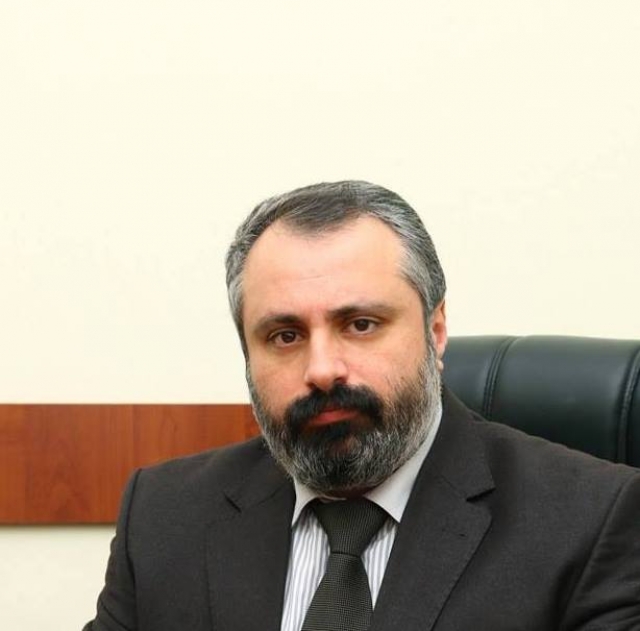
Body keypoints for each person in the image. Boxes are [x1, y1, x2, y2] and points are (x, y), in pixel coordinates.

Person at [85, 180, 640, 631]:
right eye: (284, 336)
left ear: (435, 331)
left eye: (361, 324)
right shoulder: (164, 516)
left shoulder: (592, 521)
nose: (322, 369)